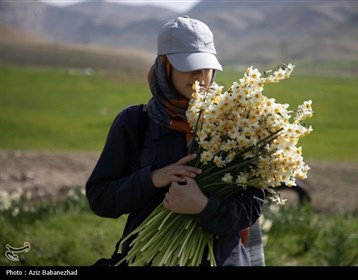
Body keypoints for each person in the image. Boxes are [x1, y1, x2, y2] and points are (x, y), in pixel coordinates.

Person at [86, 16, 265, 266]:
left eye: (207, 67)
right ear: (165, 66)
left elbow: (251, 208)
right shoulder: (135, 123)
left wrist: (203, 206)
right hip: (147, 258)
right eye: (189, 66)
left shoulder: (235, 124)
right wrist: (152, 179)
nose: (201, 77)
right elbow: (101, 199)